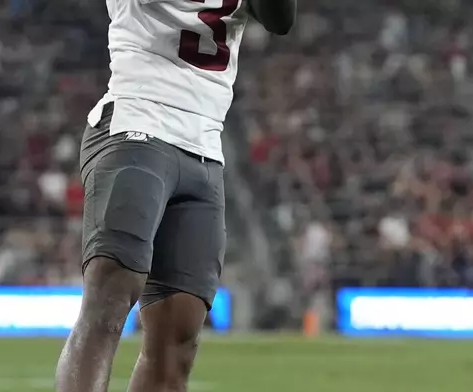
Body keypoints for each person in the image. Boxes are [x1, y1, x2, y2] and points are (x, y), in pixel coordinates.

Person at [55, 1, 296, 391]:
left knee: (177, 338)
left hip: (205, 148)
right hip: (137, 123)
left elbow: (281, 20)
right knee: (111, 299)